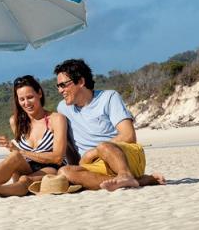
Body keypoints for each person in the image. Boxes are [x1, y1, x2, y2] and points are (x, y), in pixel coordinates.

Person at [53, 59, 165, 191]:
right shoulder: (63, 108)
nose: (60, 90)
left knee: (103, 146)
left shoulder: (109, 97)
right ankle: (136, 180)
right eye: (58, 86)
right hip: (96, 165)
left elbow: (129, 136)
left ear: (81, 82)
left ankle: (125, 174)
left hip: (124, 156)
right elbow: (68, 145)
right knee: (64, 173)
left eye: (64, 85)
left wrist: (92, 153)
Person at [0, 75, 71, 198]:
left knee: (24, 178)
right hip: (28, 165)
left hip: (51, 167)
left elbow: (57, 157)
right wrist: (14, 149)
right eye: (22, 99)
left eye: (30, 97)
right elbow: (19, 154)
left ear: (39, 93)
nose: (26, 103)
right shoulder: (16, 122)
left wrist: (21, 151)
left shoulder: (56, 119)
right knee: (14, 156)